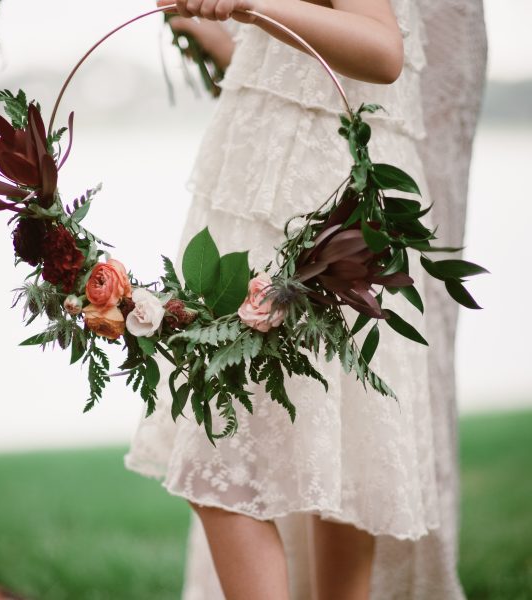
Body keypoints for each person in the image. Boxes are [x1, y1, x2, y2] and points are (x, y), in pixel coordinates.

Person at [125, 1, 464, 598]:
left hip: (320, 191)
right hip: (263, 177)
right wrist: (203, 25)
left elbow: (384, 52)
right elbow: (288, 66)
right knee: (328, 458)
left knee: (223, 462)